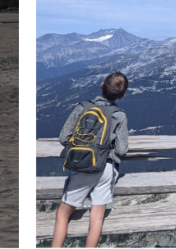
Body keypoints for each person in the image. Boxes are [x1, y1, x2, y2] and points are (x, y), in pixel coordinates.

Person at [51, 72, 129, 248]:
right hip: (106, 168)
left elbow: (64, 138)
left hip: (83, 168)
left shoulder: (83, 107)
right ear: (121, 96)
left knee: (63, 214)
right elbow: (122, 149)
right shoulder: (119, 115)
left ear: (101, 85)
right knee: (97, 218)